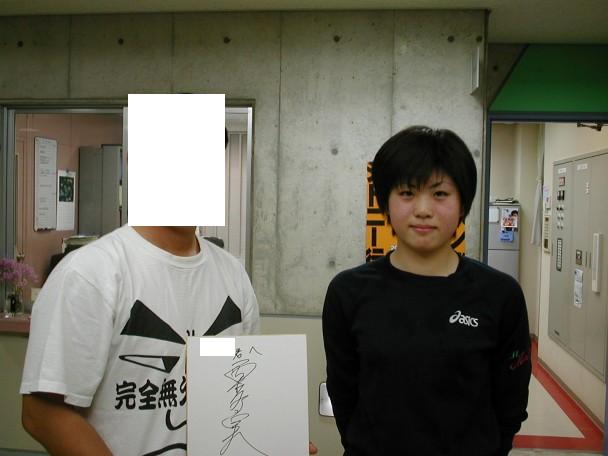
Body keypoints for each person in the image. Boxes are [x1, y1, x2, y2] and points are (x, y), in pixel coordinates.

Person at [21, 131, 318, 455]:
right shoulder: (90, 273)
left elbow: (240, 392)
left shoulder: (232, 275)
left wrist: (272, 443)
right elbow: (43, 415)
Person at [322, 126, 531, 455]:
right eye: (407, 193)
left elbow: (510, 403)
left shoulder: (500, 295)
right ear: (385, 203)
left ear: (462, 204)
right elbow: (344, 393)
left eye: (440, 194)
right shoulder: (347, 293)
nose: (423, 209)